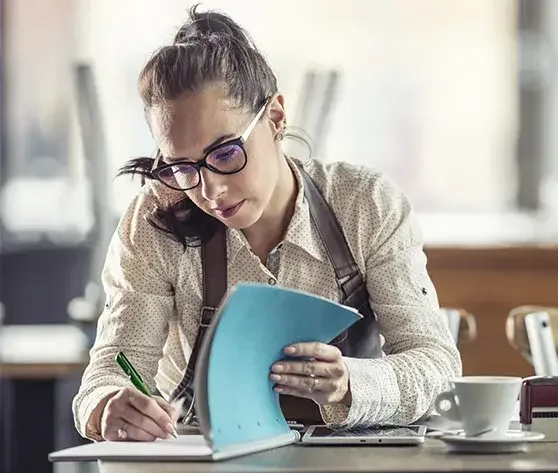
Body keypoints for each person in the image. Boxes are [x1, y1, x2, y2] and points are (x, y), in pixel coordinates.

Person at [72, 5, 462, 442]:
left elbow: (437, 367)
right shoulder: (155, 219)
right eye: (183, 167)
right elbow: (110, 370)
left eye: (225, 154)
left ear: (275, 116)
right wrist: (109, 405)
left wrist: (351, 383)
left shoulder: (365, 205)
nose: (211, 191)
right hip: (203, 457)